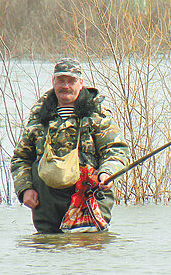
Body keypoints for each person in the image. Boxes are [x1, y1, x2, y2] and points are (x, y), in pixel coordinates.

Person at [11, 58, 130, 233]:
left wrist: (107, 173)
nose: (65, 86)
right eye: (61, 80)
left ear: (81, 83)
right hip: (46, 203)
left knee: (88, 252)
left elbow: (116, 150)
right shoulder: (38, 115)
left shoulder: (97, 114)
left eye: (71, 81)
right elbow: (21, 158)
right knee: (49, 251)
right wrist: (25, 189)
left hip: (89, 197)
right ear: (53, 82)